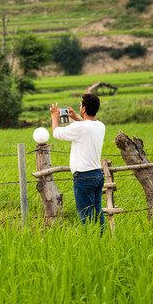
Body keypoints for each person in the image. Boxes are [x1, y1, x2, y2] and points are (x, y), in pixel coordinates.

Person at [50, 94, 106, 231]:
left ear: (84, 109)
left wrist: (54, 118)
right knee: (97, 212)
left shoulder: (79, 128)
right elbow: (87, 126)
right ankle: (102, 240)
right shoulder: (100, 126)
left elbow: (56, 133)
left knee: (85, 216)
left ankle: (90, 241)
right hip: (98, 175)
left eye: (81, 105)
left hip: (83, 177)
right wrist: (76, 118)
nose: (79, 107)